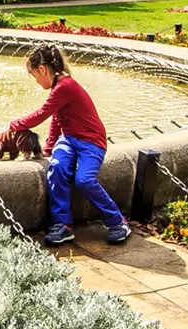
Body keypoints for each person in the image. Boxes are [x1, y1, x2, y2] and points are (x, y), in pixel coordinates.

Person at [7, 44, 130, 246]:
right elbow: (57, 120)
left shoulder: (65, 86)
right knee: (56, 168)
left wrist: (15, 124)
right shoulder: (59, 87)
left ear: (42, 70)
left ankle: (118, 221)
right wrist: (48, 148)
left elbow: (41, 115)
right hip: (69, 140)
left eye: (34, 76)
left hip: (91, 142)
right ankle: (62, 225)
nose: (37, 82)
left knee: (84, 180)